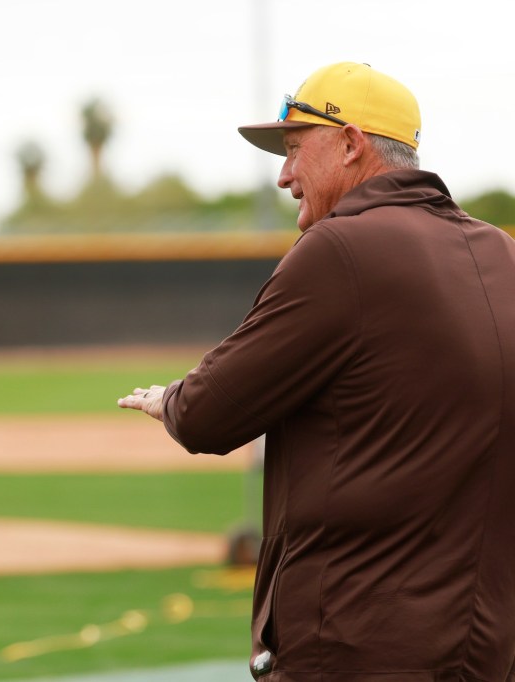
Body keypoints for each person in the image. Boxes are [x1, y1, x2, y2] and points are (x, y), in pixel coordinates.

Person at [118, 61, 515, 679]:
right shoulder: (503, 254)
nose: (283, 176)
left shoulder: (339, 248)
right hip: (486, 651)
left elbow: (207, 415)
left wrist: (170, 399)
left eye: (295, 149)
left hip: (355, 649)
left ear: (352, 144)